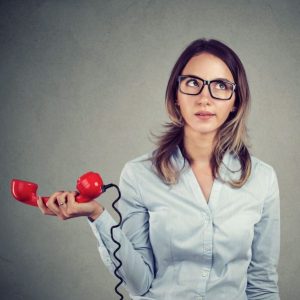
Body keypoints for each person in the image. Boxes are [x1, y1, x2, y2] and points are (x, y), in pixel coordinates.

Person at [37, 38, 280, 300]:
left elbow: (262, 285)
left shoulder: (262, 179)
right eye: (192, 83)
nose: (204, 98)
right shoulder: (138, 175)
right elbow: (138, 283)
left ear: (235, 100)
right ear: (175, 96)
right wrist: (97, 215)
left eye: (220, 85)